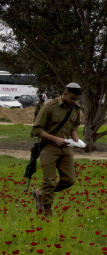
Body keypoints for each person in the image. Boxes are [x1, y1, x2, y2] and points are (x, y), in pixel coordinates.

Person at [30, 83, 84, 217]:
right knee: (49, 181)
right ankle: (46, 211)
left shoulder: (75, 108)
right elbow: (37, 129)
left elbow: (74, 127)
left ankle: (40, 193)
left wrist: (76, 139)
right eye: (72, 98)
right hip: (48, 147)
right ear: (64, 93)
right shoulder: (49, 106)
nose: (74, 101)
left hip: (66, 147)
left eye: (76, 99)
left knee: (70, 179)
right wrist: (55, 139)